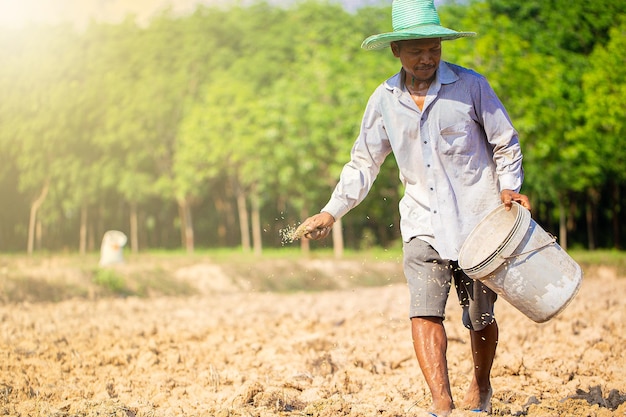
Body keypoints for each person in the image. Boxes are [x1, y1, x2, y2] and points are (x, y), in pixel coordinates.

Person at [298, 0, 531, 415]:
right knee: (424, 312)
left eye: (433, 48)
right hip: (422, 223)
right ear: (396, 52)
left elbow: (505, 142)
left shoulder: (471, 86)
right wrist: (331, 212)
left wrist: (510, 188)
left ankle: (480, 387)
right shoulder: (383, 100)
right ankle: (442, 404)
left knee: (479, 315)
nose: (426, 58)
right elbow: (363, 163)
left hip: (479, 223)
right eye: (416, 50)